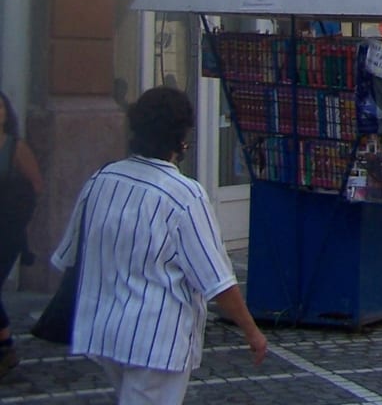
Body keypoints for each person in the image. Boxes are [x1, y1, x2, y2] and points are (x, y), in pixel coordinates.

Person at [51, 87, 267, 402]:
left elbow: (68, 255)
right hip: (156, 339)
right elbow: (216, 280)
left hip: (105, 330)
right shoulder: (183, 195)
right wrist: (252, 332)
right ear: (179, 140)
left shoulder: (101, 180)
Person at [0, 91, 44, 380]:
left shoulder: (16, 148)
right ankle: (5, 347)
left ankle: (7, 347)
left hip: (7, 231)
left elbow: (36, 186)